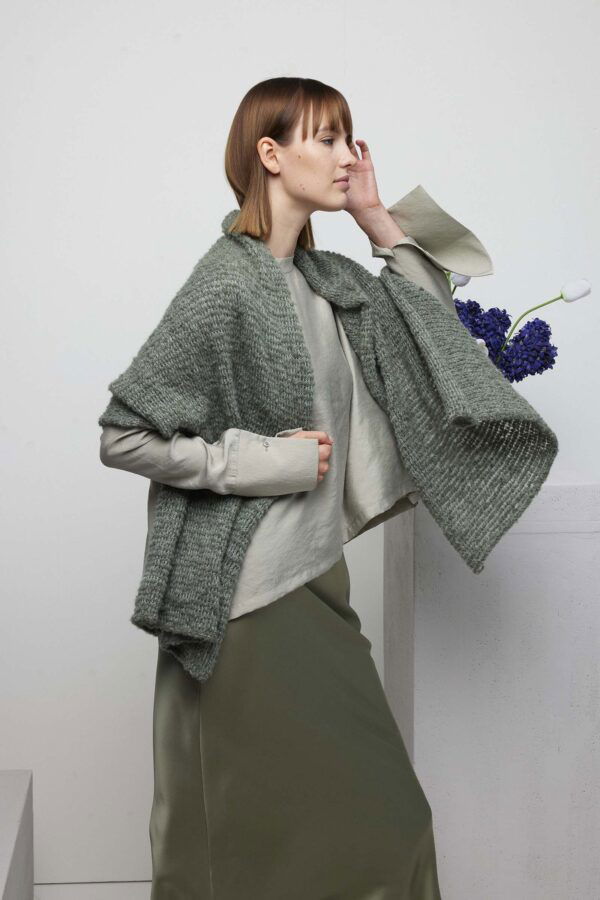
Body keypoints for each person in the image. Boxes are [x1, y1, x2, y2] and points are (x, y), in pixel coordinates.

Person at [99, 76, 493, 899]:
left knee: (356, 830)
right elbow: (124, 434)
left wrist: (377, 218)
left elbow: (433, 336)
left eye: (350, 137)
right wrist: (258, 463)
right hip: (251, 597)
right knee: (268, 833)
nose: (347, 155)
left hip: (316, 578)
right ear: (271, 156)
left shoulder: (328, 281)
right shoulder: (227, 283)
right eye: (326, 137)